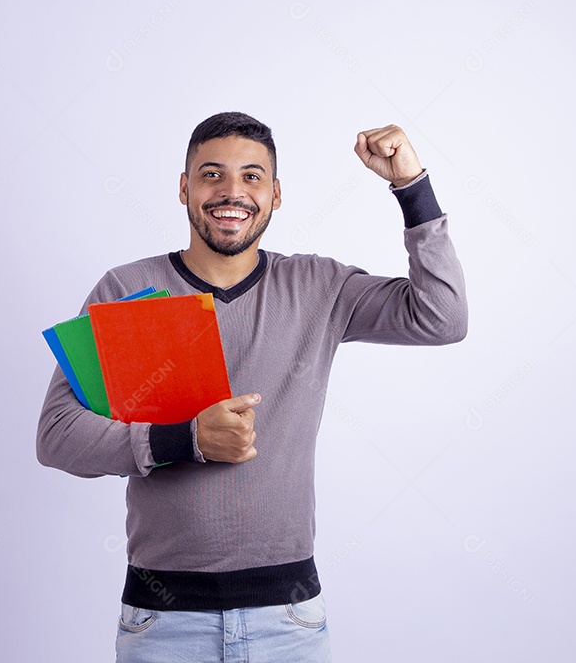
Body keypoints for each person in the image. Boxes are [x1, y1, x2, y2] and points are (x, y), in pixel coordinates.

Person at [37, 111, 467, 662]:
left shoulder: (321, 286)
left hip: (287, 619)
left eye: (252, 176)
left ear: (277, 194)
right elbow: (57, 436)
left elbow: (443, 317)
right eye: (211, 175)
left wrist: (412, 187)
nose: (231, 192)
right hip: (163, 621)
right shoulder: (125, 289)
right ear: (184, 188)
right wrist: (185, 439)